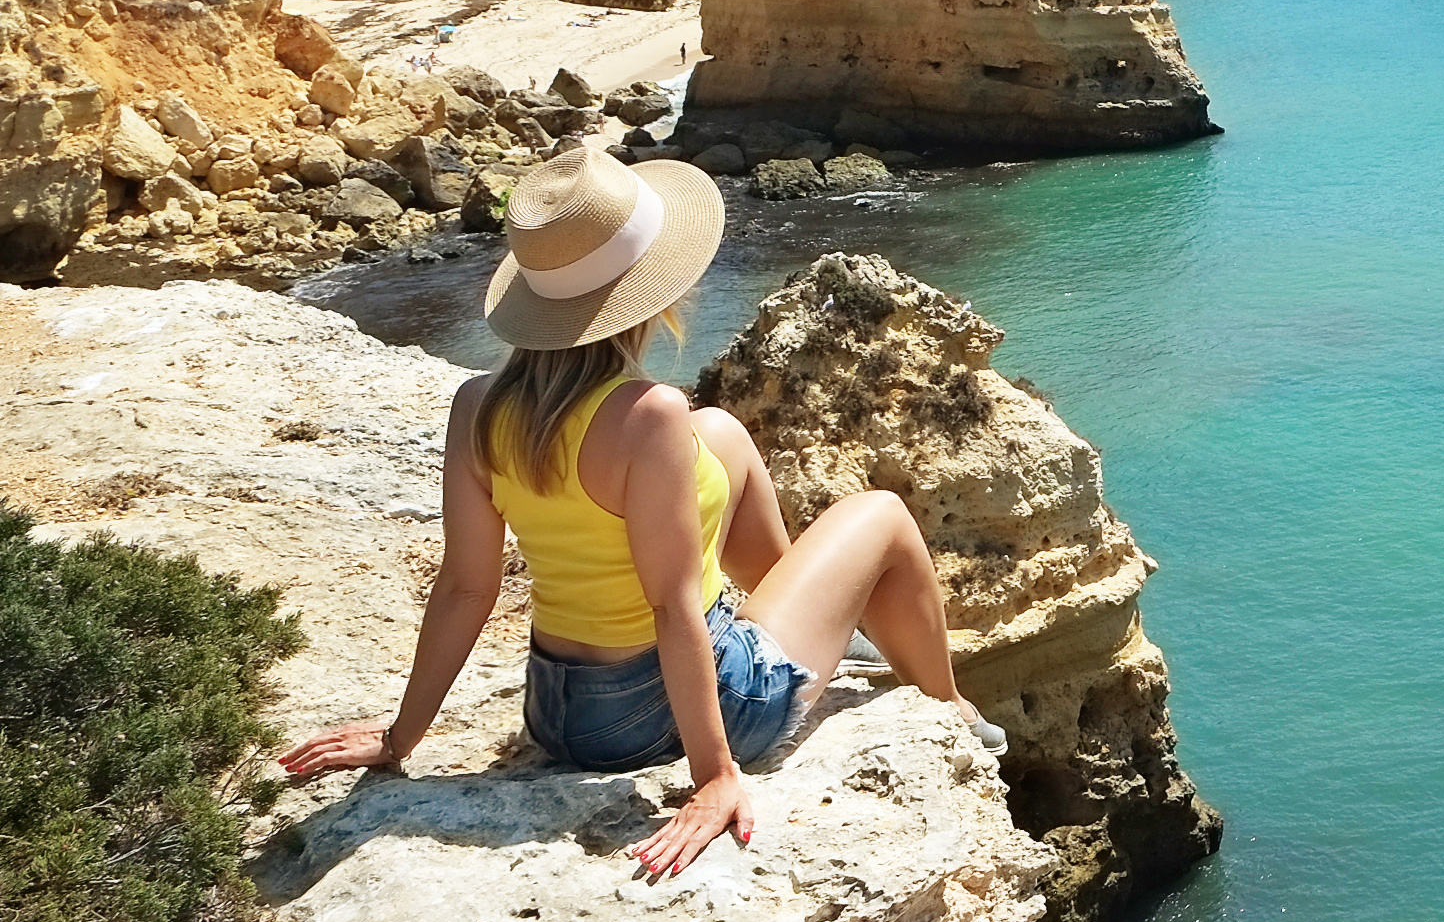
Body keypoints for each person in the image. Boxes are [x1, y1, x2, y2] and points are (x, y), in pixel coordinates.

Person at [283, 144, 999, 879]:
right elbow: (671, 607)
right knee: (880, 513)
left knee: (718, 432)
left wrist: (403, 736)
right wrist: (715, 774)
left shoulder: (478, 406)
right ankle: (949, 707)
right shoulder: (648, 414)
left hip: (560, 712)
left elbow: (467, 586)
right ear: (650, 288)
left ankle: (813, 627)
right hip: (655, 711)